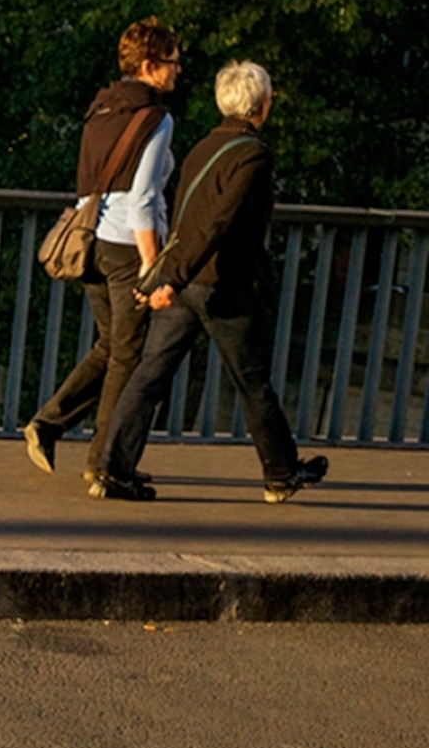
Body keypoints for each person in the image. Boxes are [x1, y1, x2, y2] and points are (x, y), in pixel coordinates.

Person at [101, 61, 328, 505]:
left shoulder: (202, 148)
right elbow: (219, 224)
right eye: (270, 95)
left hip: (186, 285)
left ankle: (113, 469)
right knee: (252, 381)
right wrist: (174, 279)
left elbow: (188, 219)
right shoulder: (254, 156)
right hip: (225, 287)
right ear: (259, 105)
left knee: (150, 375)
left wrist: (170, 278)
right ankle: (281, 475)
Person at [22, 20, 182, 498]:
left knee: (111, 345)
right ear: (150, 66)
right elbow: (143, 197)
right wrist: (153, 269)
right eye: (173, 61)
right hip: (127, 247)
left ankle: (49, 425)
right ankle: (105, 465)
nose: (179, 70)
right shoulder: (155, 117)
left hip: (89, 243)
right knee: (129, 357)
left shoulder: (102, 107)